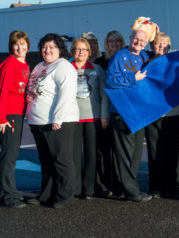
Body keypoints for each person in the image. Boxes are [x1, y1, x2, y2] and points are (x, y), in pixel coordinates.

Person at [106, 17, 158, 203]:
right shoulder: (119, 56)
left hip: (139, 113)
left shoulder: (145, 56)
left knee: (136, 154)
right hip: (123, 112)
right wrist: (132, 78)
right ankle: (131, 191)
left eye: (143, 40)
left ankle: (128, 187)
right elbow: (110, 81)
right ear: (130, 38)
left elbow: (160, 50)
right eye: (136, 38)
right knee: (125, 154)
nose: (139, 42)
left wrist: (153, 30)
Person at [26, 33, 79, 208]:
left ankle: (65, 196)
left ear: (59, 49)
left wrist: (58, 118)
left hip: (57, 121)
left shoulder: (63, 66)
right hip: (38, 120)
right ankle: (47, 194)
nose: (47, 50)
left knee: (61, 159)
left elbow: (67, 94)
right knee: (46, 160)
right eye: (44, 47)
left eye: (52, 47)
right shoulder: (40, 66)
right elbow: (34, 87)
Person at [145, 32, 179, 199]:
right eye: (157, 44)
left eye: (164, 44)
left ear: (169, 46)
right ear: (151, 46)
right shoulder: (144, 63)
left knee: (174, 151)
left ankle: (175, 187)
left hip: (175, 112)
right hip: (152, 114)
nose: (161, 47)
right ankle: (157, 187)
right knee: (155, 151)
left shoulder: (177, 62)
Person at [70, 38, 109, 200]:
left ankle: (89, 189)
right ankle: (76, 188)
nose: (81, 53)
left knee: (91, 154)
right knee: (74, 154)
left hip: (93, 117)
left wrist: (105, 115)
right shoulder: (67, 68)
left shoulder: (97, 69)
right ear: (73, 51)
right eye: (78, 49)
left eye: (84, 49)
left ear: (89, 52)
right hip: (72, 117)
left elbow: (103, 93)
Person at [0, 31, 30, 208]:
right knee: (9, 157)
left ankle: (7, 190)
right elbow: (2, 91)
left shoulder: (24, 63)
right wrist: (1, 117)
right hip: (8, 115)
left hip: (17, 114)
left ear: (27, 45)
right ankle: (8, 196)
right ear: (11, 46)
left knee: (11, 155)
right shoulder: (10, 63)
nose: (19, 47)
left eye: (22, 44)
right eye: (15, 44)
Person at [94, 30, 125, 198]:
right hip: (104, 111)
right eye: (111, 40)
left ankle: (120, 184)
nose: (114, 43)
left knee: (119, 151)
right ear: (106, 43)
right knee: (103, 149)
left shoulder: (126, 59)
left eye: (117, 40)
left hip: (121, 110)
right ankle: (103, 184)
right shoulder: (100, 62)